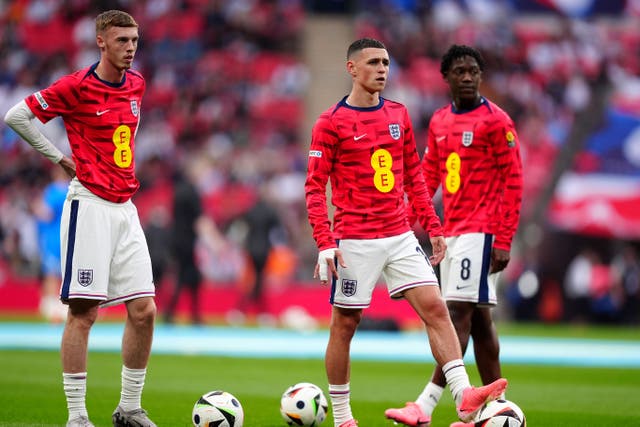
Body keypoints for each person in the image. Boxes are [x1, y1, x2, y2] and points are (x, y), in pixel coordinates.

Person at [304, 38, 507, 427]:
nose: (382, 69)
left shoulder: (398, 114)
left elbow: (414, 177)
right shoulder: (330, 123)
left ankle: (464, 394)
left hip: (398, 234)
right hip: (355, 239)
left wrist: (433, 227)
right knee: (345, 325)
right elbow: (315, 187)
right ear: (352, 69)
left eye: (386, 62)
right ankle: (343, 417)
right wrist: (324, 242)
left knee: (436, 309)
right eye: (374, 62)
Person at [4, 10, 157, 427]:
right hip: (88, 204)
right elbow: (16, 116)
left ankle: (129, 408)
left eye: (134, 40)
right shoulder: (76, 86)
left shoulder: (137, 84)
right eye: (122, 41)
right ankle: (77, 416)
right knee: (83, 312)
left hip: (126, 207)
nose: (130, 48)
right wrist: (58, 157)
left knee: (144, 310)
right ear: (101, 42)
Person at [385, 44, 523, 427]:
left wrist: (505, 238)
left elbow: (513, 182)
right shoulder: (442, 121)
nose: (467, 77)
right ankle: (498, 408)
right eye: (459, 71)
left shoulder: (497, 122)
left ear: (480, 76)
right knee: (478, 321)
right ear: (446, 77)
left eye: (473, 71)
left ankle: (425, 406)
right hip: (453, 230)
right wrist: (406, 218)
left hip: (484, 228)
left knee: (456, 312)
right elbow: (429, 174)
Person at [164, 168, 204, 325]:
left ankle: (184, 313)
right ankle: (188, 314)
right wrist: (217, 243)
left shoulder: (178, 191)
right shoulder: (192, 192)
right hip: (187, 242)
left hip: (177, 240)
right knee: (187, 277)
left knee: (188, 276)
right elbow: (200, 220)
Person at [32, 166, 69, 323]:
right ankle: (66, 309)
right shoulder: (72, 190)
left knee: (51, 275)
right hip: (69, 238)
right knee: (67, 275)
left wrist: (35, 207)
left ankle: (52, 310)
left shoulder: (55, 190)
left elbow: (45, 213)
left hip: (53, 239)